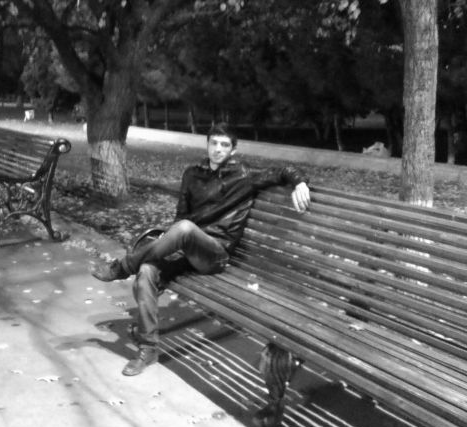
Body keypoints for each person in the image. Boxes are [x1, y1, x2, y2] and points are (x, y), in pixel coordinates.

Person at [90, 123, 310, 376]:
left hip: (215, 254)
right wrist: (167, 247)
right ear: (207, 144)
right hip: (187, 248)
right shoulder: (192, 175)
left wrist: (300, 183)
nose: (218, 149)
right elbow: (180, 216)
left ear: (233, 150)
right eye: (214, 143)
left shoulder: (244, 175)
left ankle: (122, 267)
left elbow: (283, 171)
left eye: (224, 145)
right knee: (147, 271)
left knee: (184, 229)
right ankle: (148, 348)